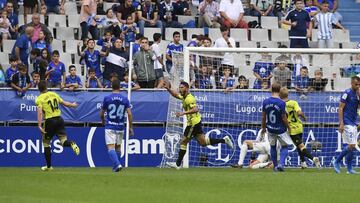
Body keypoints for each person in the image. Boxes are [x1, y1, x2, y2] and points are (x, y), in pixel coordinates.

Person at [164, 81, 234, 169]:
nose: (180, 89)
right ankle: (224, 140)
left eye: (182, 87)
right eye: (179, 87)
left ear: (187, 88)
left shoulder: (189, 98)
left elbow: (196, 109)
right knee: (203, 142)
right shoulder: (184, 96)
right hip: (196, 122)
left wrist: (183, 113)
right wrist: (168, 89)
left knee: (184, 141)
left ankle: (177, 164)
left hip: (193, 123)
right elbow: (175, 95)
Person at [35, 81, 80, 171]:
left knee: (46, 143)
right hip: (59, 120)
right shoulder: (53, 94)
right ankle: (72, 143)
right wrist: (73, 105)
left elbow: (40, 113)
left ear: (38, 88)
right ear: (46, 87)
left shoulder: (39, 99)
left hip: (50, 121)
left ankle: (49, 166)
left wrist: (39, 125)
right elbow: (64, 103)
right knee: (63, 141)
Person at [279, 87, 321, 169]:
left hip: (291, 129)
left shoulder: (280, 104)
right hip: (299, 126)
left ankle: (313, 158)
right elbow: (299, 112)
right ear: (288, 94)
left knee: (301, 146)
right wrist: (304, 117)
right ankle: (303, 162)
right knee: (299, 145)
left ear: (280, 95)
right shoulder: (294, 102)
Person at [100, 78, 133, 172]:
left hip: (110, 125)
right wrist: (130, 127)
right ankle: (116, 166)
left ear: (111, 86)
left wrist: (102, 120)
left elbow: (102, 113)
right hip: (120, 126)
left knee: (110, 147)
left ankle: (117, 164)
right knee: (118, 146)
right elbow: (129, 114)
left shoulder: (107, 98)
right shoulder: (125, 99)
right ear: (120, 86)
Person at [261, 82, 291, 171]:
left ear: (271, 89)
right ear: (279, 90)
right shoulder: (281, 103)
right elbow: (284, 118)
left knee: (273, 147)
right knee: (284, 147)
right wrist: (289, 127)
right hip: (281, 129)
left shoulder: (265, 101)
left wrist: (263, 128)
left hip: (270, 128)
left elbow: (263, 116)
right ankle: (281, 164)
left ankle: (275, 166)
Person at [333, 76, 360, 174]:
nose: (358, 86)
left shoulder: (357, 94)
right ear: (352, 83)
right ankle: (336, 161)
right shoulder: (346, 93)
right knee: (352, 145)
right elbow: (340, 108)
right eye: (356, 84)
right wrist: (341, 123)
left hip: (353, 122)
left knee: (351, 147)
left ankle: (349, 169)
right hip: (346, 122)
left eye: (359, 85)